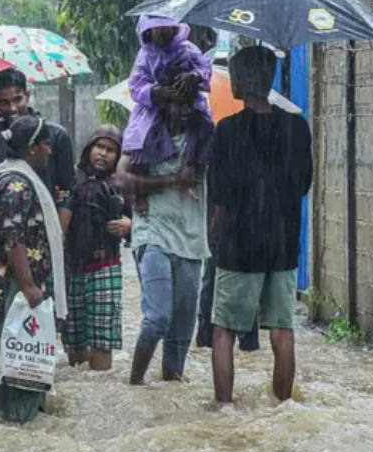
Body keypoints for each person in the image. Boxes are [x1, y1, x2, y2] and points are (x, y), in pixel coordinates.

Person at [208, 46, 312, 406]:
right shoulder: (297, 128)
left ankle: (224, 406)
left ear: (239, 82)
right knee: (282, 330)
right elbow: (303, 184)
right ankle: (283, 406)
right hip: (282, 244)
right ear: (268, 81)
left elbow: (218, 195)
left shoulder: (228, 131)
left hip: (239, 243)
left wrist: (216, 236)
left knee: (223, 329)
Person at [116, 73, 211, 386]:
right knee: (158, 317)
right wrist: (171, 181)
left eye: (189, 101)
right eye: (176, 101)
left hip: (192, 237)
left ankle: (170, 388)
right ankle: (134, 385)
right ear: (163, 102)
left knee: (183, 328)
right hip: (152, 231)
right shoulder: (143, 133)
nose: (183, 110)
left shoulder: (205, 137)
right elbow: (122, 180)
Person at [0, 115, 68, 423]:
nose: (50, 150)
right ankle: (15, 422)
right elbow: (13, 237)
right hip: (16, 286)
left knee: (22, 357)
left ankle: (16, 420)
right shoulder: (18, 185)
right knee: (18, 360)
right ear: (32, 148)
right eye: (46, 144)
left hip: (17, 284)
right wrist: (30, 285)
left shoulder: (15, 177)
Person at [124, 16, 214, 208]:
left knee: (206, 125)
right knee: (140, 137)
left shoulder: (187, 49)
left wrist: (194, 76)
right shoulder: (145, 56)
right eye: (156, 29)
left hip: (188, 100)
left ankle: (194, 167)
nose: (161, 33)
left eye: (165, 28)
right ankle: (140, 193)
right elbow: (135, 85)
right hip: (155, 107)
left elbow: (205, 67)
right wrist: (154, 91)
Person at [63, 126, 132, 371]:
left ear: (119, 155)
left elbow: (146, 220)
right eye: (99, 147)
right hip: (72, 269)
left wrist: (129, 224)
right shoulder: (72, 179)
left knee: (103, 340)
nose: (103, 154)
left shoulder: (123, 183)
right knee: (74, 339)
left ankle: (99, 381)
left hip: (106, 267)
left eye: (111, 150)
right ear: (89, 149)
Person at [0, 68, 75, 208]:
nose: (13, 109)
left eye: (17, 99)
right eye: (4, 102)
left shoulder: (56, 135)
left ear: (27, 96)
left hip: (46, 216)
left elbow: (68, 192)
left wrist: (59, 228)